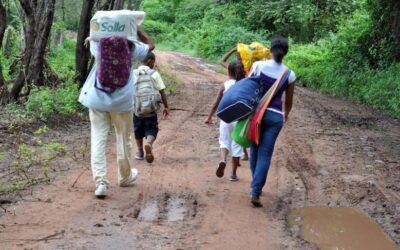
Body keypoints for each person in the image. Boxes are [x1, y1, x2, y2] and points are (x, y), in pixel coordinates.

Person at [79, 29, 155, 198]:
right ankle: (125, 177)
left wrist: (99, 30)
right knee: (123, 139)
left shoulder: (99, 45)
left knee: (98, 139)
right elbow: (151, 45)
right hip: (121, 103)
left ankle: (101, 183)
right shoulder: (132, 48)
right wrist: (136, 29)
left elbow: (93, 32)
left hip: (97, 99)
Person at [248, 36, 296, 207]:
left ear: (270, 49)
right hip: (275, 117)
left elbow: (249, 87)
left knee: (254, 148)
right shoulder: (289, 74)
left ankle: (255, 187)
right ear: (285, 53)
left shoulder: (258, 66)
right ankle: (256, 189)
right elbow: (289, 101)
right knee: (265, 154)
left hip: (257, 115)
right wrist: (286, 114)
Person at [206, 60, 246, 181]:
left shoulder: (225, 85)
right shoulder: (246, 84)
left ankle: (223, 160)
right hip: (240, 119)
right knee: (237, 144)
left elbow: (216, 103)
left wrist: (209, 117)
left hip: (226, 117)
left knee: (224, 141)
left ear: (229, 72)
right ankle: (233, 174)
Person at [133, 52, 170, 163]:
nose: (154, 64)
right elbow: (162, 91)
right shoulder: (154, 74)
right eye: (153, 61)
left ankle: (140, 151)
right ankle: (149, 143)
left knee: (137, 129)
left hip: (137, 109)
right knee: (152, 129)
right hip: (151, 109)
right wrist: (166, 106)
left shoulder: (134, 73)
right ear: (149, 60)